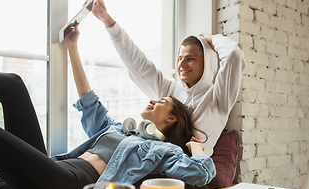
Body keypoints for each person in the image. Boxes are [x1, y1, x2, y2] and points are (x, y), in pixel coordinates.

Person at [0, 26, 215, 189]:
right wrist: (73, 47)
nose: (153, 101)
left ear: (172, 117)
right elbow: (88, 100)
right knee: (12, 84)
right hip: (52, 169)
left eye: (162, 101)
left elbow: (202, 173)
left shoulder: (162, 150)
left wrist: (196, 148)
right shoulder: (115, 129)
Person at [92, 0, 246, 156]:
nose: (182, 64)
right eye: (180, 58)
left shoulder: (218, 98)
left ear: (207, 62)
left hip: (194, 172)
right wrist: (108, 22)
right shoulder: (171, 92)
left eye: (190, 58)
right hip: (158, 166)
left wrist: (213, 39)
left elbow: (234, 54)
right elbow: (137, 64)